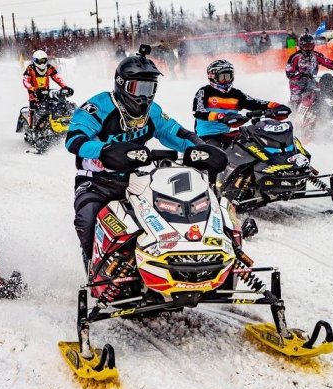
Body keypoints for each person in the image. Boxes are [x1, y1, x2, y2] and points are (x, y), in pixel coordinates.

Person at [65, 47, 226, 269]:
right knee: (87, 219)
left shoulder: (153, 112)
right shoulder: (98, 106)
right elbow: (74, 140)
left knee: (177, 211)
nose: (144, 95)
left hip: (137, 181)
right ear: (121, 84)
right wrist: (104, 150)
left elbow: (175, 133)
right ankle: (94, 268)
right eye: (138, 87)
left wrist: (202, 148)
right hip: (96, 181)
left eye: (150, 88)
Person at [193, 59, 290, 149]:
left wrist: (275, 106)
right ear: (212, 77)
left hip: (226, 135)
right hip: (206, 137)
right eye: (223, 77)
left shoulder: (236, 94)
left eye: (229, 76)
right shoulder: (204, 91)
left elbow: (255, 102)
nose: (226, 80)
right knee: (218, 153)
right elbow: (198, 111)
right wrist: (220, 116)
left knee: (253, 143)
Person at [285, 33, 333, 112]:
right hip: (297, 84)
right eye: (306, 47)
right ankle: (294, 115)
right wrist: (299, 75)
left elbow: (328, 63)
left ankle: (327, 111)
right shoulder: (295, 57)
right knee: (296, 99)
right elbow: (289, 72)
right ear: (301, 46)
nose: (308, 49)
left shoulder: (315, 56)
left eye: (310, 46)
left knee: (321, 94)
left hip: (311, 81)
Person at [22, 50, 72, 126]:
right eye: (40, 61)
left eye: (43, 60)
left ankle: (59, 121)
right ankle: (31, 127)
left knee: (56, 103)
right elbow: (25, 82)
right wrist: (33, 88)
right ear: (35, 60)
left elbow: (57, 78)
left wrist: (65, 87)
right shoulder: (30, 69)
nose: (42, 63)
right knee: (33, 107)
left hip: (46, 92)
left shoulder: (49, 68)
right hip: (34, 93)